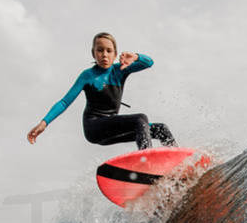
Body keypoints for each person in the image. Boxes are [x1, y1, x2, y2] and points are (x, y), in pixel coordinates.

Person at [26, 32, 176, 150]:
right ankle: (146, 161)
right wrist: (44, 123)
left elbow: (149, 62)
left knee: (161, 129)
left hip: (112, 127)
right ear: (94, 53)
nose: (104, 54)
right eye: (100, 50)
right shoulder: (88, 76)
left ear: (115, 53)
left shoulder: (120, 70)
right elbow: (65, 102)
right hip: (94, 127)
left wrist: (135, 56)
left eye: (109, 51)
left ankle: (179, 165)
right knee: (140, 119)